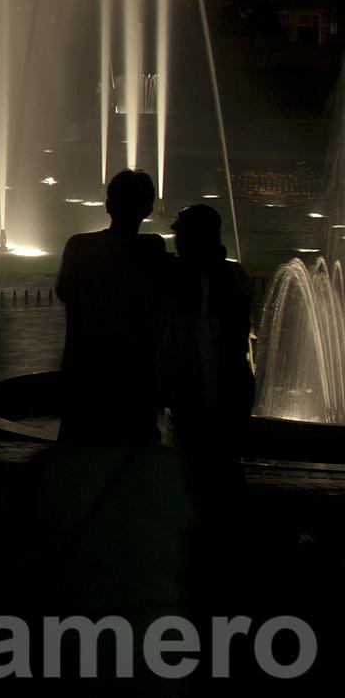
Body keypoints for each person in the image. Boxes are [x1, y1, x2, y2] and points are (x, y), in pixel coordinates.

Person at [56, 169, 169, 446]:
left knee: (79, 457)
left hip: (85, 375)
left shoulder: (79, 248)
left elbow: (63, 292)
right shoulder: (153, 252)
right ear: (148, 208)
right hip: (135, 379)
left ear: (108, 205)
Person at [160, 203, 252, 529]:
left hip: (201, 386)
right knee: (224, 465)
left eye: (179, 233)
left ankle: (203, 533)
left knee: (199, 464)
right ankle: (228, 532)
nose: (175, 240)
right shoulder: (234, 273)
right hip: (232, 385)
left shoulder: (184, 276)